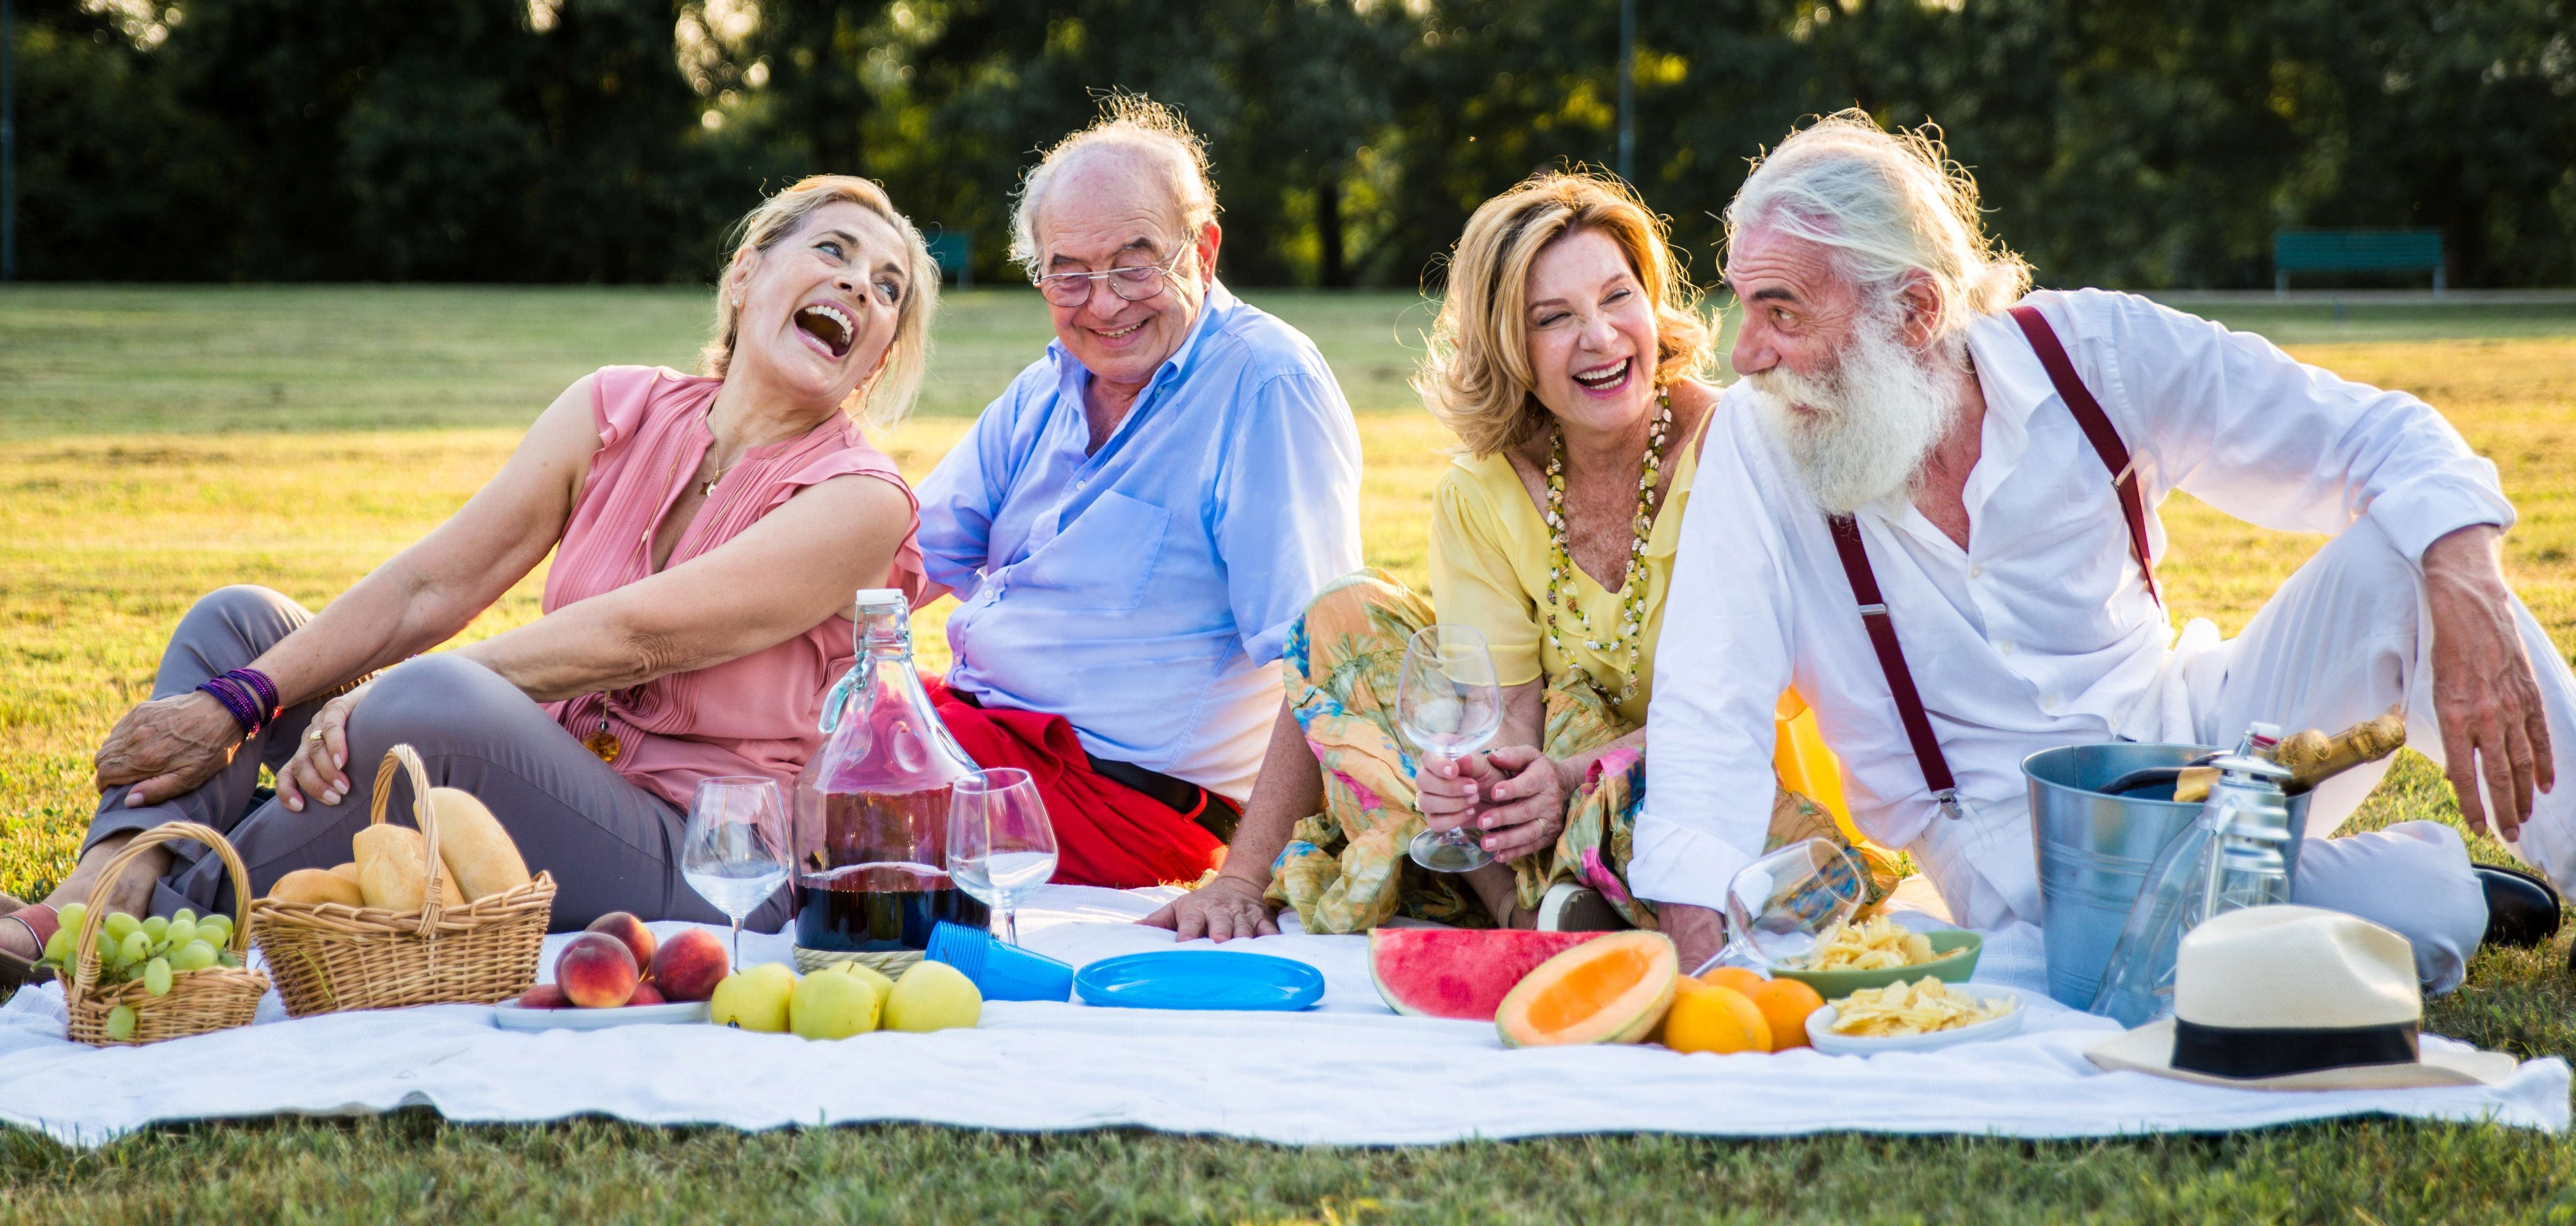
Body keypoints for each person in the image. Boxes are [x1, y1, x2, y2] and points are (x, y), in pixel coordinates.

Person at [1640, 111, 2572, 992]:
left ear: (1916, 311)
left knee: (2410, 558)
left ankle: (2383, 881)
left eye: (1782, 313)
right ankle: (2406, 887)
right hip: (2015, 848)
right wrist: (1696, 959)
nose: (1745, 354)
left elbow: (2379, 437)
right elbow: (1709, 699)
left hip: (2199, 740)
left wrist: (2467, 582)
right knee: (2424, 912)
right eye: (1743, 305)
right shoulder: (1758, 444)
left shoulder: (2093, 354)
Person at [0, 175, 938, 979]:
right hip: (543, 773)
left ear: (878, 356)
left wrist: (384, 700)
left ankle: (140, 922)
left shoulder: (862, 501)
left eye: (888, 288)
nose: (860, 285)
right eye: (834, 251)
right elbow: (430, 586)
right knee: (242, 627)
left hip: (701, 853)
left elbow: (638, 638)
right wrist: (244, 699)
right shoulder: (617, 406)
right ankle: (104, 884)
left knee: (432, 707)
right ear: (745, 276)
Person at [1145, 172, 1894, 942]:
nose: (1600, 337)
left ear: (1651, 304)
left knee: (1640, 773)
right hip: (1559, 797)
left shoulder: (1739, 446)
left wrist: (1570, 774)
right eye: (1553, 318)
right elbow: (1507, 716)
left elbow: (1744, 707)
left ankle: (1553, 899)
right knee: (1346, 619)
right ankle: (1536, 904)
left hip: (1722, 785)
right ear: (1510, 347)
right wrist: (1488, 782)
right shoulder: (1485, 490)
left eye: (1618, 298)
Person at [911, 96, 1364, 891]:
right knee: (778, 723)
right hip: (983, 744)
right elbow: (904, 557)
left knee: (812, 780)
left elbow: (1323, 660)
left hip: (1120, 807)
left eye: (1135, 263)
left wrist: (1241, 881)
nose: (1105, 303)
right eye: (1069, 274)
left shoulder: (1266, 383)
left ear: (1204, 252)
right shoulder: (1049, 384)